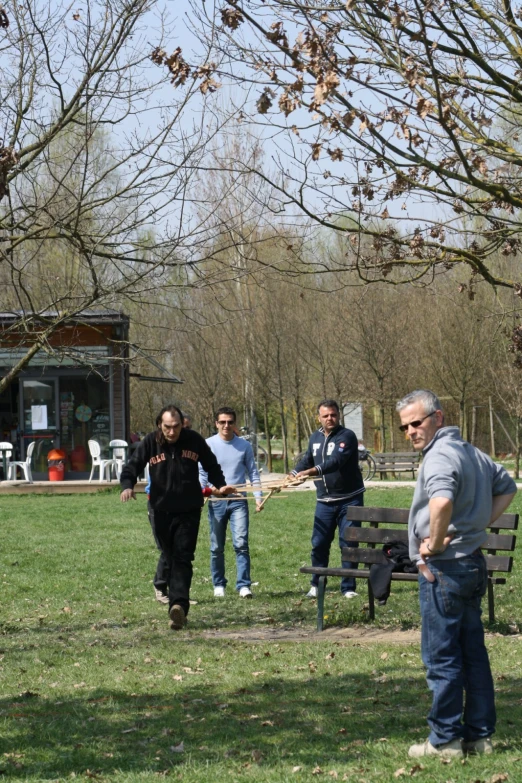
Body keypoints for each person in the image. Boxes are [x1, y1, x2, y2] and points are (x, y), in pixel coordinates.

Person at [396, 389, 517, 758]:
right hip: (471, 565)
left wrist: (432, 543)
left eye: (417, 423)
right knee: (473, 653)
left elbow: (442, 501)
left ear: (439, 417)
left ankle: (445, 741)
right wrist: (476, 527)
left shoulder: (439, 457)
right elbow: (507, 487)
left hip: (445, 569)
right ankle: (479, 738)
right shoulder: (472, 452)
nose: (411, 432)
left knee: (442, 656)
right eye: (405, 427)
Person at [120, 405, 236, 630]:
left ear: (182, 424)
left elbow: (211, 465)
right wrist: (127, 485)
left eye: (176, 427)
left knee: (183, 557)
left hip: (188, 510)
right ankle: (176, 603)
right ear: (159, 425)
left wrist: (221, 486)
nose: (172, 432)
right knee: (169, 555)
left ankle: (178, 607)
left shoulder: (193, 440)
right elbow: (132, 466)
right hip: (160, 510)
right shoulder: (151, 443)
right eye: (167, 427)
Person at [291, 399, 365, 598]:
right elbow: (308, 458)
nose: (329, 418)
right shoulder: (315, 437)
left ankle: (348, 587)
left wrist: (311, 471)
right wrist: (294, 473)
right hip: (324, 501)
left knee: (348, 544)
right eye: (325, 415)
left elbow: (335, 462)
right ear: (319, 417)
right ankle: (316, 584)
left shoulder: (347, 436)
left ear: (338, 416)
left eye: (333, 415)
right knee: (319, 543)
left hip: (350, 499)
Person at [199, 406, 262, 598]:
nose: (226, 425)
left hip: (239, 501)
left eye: (230, 422)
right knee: (216, 546)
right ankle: (219, 584)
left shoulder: (244, 446)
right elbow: (202, 473)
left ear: (235, 424)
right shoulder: (207, 444)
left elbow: (253, 473)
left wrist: (258, 498)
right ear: (216, 423)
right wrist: (201, 495)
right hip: (216, 500)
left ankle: (244, 585)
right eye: (222, 422)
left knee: (241, 543)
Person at [148, 412, 193, 605]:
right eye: (170, 427)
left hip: (184, 506)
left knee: (180, 553)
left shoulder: (190, 448)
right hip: (160, 506)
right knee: (168, 551)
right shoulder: (157, 449)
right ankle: (160, 586)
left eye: (183, 428)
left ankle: (178, 598)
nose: (177, 432)